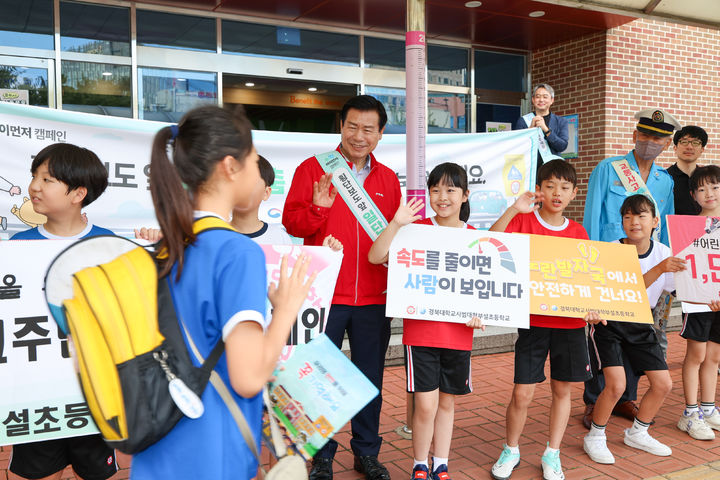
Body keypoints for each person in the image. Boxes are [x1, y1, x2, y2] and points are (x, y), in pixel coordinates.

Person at [130, 106, 315, 480]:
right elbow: (248, 378)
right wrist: (285, 311)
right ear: (230, 166)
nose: (255, 168)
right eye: (252, 158)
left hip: (157, 445)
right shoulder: (237, 251)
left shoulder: (167, 246)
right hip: (211, 449)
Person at [283, 95, 401, 480]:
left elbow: (398, 240)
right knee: (319, 379)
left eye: (369, 129)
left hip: (373, 298)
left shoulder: (387, 181)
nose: (359, 135)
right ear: (341, 126)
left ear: (381, 134)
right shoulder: (314, 169)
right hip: (323, 296)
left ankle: (366, 453)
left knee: (369, 380)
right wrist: (317, 208)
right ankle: (321, 455)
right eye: (353, 126)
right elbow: (293, 224)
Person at [368, 163, 485, 480]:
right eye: (435, 190)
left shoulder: (475, 239)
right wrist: (396, 223)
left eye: (450, 190)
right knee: (426, 406)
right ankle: (420, 463)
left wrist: (480, 313)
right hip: (420, 335)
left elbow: (483, 288)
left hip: (459, 336)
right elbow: (376, 256)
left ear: (465, 195)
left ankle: (441, 462)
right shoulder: (414, 230)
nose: (442, 197)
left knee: (447, 404)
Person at [9, 143, 118, 480]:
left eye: (48, 179)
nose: (34, 187)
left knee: (100, 472)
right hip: (37, 395)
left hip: (93, 394)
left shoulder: (109, 245)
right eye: (34, 176)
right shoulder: (17, 248)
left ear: (78, 193)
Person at [488, 159, 600, 480]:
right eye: (549, 185)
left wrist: (591, 307)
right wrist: (514, 209)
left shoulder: (578, 232)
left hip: (570, 324)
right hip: (534, 321)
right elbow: (491, 243)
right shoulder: (524, 222)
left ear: (574, 193)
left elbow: (586, 280)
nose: (556, 193)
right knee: (522, 392)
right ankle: (511, 449)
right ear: (539, 189)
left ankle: (553, 453)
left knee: (562, 390)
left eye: (564, 187)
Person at [581, 108, 681, 430]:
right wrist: (589, 269)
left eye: (658, 139)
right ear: (635, 135)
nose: (651, 142)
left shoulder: (664, 181)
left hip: (648, 268)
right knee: (605, 334)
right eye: (646, 135)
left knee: (639, 334)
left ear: (666, 145)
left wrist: (664, 272)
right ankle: (595, 400)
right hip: (610, 267)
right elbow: (592, 219)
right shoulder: (608, 169)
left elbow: (664, 227)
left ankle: (627, 398)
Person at [583, 194, 680, 465]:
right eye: (627, 216)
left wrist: (708, 295)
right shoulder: (612, 250)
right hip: (609, 323)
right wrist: (660, 269)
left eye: (641, 215)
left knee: (663, 384)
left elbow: (679, 288)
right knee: (616, 385)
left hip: (642, 323)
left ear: (655, 221)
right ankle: (595, 436)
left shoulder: (663, 252)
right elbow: (627, 291)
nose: (634, 222)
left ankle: (639, 431)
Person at [677, 165, 720, 440]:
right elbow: (683, 267)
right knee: (697, 355)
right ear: (693, 195)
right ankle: (690, 413)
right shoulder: (687, 227)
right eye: (702, 189)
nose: (709, 194)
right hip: (698, 302)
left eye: (715, 187)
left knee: (714, 357)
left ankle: (708, 408)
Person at [515, 83, 569, 178]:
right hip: (530, 172)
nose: (541, 100)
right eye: (538, 97)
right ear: (533, 100)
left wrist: (546, 130)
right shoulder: (523, 121)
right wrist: (530, 130)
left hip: (553, 172)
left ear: (551, 100)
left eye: (545, 97)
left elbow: (562, 146)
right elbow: (517, 147)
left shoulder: (561, 121)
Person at [668, 125, 708, 216]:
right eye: (684, 142)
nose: (689, 147)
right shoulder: (666, 178)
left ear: (702, 149)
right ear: (675, 148)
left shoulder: (709, 179)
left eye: (695, 143)